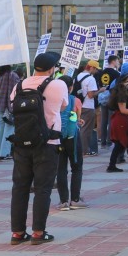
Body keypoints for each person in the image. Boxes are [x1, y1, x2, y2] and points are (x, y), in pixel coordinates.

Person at [9, 52, 68, 245]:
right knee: (43, 188)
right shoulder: (58, 84)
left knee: (20, 188)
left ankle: (17, 233)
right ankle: (38, 233)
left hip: (21, 142)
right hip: (47, 143)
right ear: (52, 69)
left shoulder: (20, 85)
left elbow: (11, 105)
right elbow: (63, 107)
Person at [53, 75, 86, 211]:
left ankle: (63, 201)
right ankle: (75, 199)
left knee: (61, 169)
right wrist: (79, 120)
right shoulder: (75, 100)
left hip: (58, 137)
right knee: (76, 168)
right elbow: (77, 118)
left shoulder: (55, 101)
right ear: (71, 87)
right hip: (73, 138)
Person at [0, 65, 20, 161]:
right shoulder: (12, 75)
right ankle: (4, 153)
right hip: (10, 106)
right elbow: (15, 91)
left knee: (0, 129)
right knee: (9, 129)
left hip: (0, 105)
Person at [96, 55, 123, 149]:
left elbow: (100, 86)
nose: (118, 63)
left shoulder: (101, 72)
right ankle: (109, 140)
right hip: (112, 97)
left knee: (103, 120)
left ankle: (103, 141)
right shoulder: (116, 74)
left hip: (102, 98)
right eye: (117, 61)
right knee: (111, 119)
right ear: (114, 61)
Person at [76, 60, 101, 156]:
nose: (96, 71)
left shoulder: (78, 76)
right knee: (86, 129)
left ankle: (80, 149)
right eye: (96, 69)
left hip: (79, 105)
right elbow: (91, 95)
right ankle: (83, 150)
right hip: (88, 106)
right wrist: (100, 91)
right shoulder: (91, 79)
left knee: (80, 128)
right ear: (91, 68)